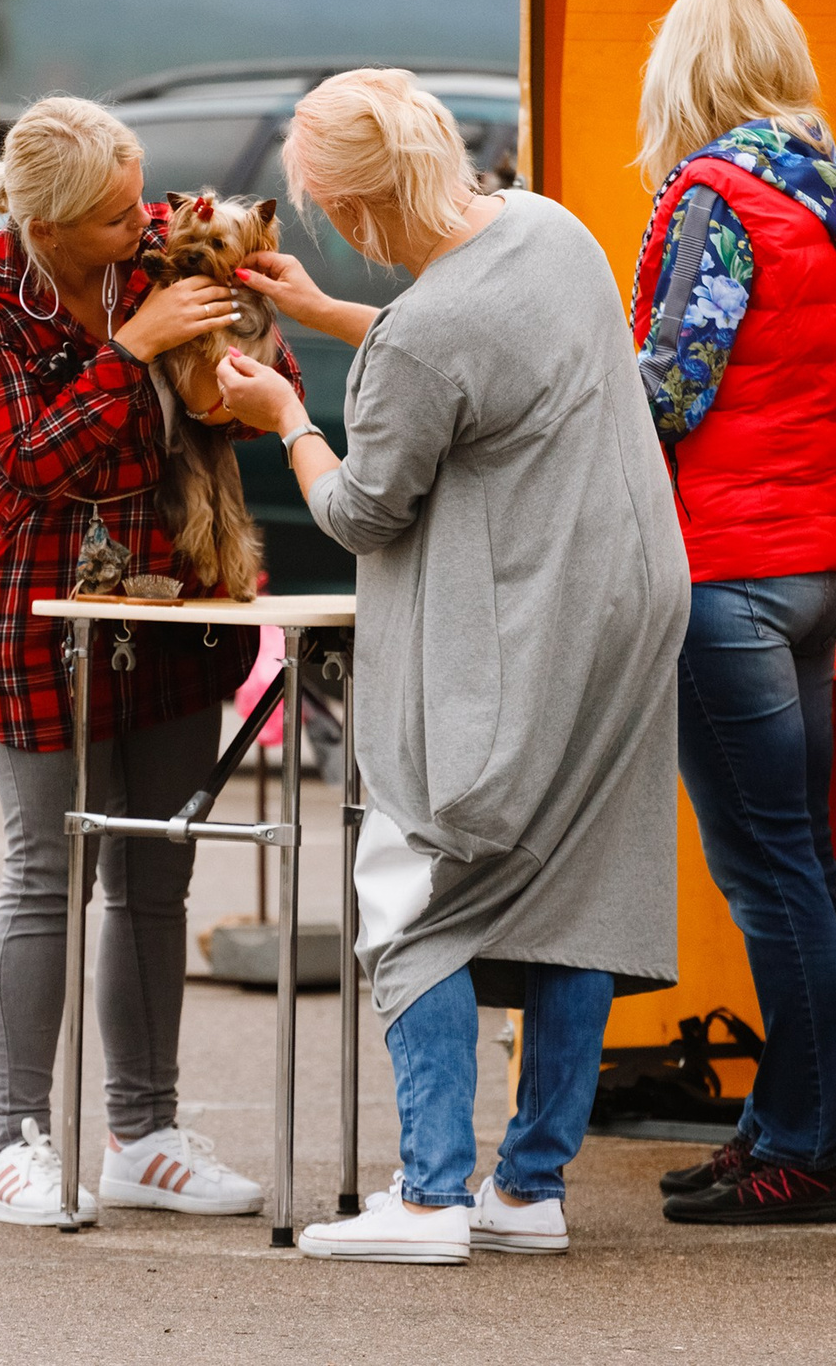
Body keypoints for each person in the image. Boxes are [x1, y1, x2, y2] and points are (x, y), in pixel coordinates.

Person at [216, 70, 685, 1264]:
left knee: (412, 878)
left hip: (520, 620)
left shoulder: (426, 332)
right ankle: (529, 1190)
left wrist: (287, 416)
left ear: (355, 209)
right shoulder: (547, 227)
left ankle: (428, 1198)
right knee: (578, 886)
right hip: (632, 601)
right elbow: (484, 359)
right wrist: (329, 316)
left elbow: (365, 509)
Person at [0, 95, 297, 1226]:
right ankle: (11, 1144)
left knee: (156, 876)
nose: (137, 226)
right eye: (108, 219)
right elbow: (33, 459)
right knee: (43, 876)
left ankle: (143, 1136)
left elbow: (235, 408)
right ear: (41, 227)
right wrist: (131, 347)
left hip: (172, 590)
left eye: (138, 197)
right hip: (31, 605)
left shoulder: (161, 244)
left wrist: (249, 331)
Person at [629, 0, 836, 1224]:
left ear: (685, 75)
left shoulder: (712, 198)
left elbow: (670, 389)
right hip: (812, 564)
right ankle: (789, 1128)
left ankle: (808, 1149)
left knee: (765, 869)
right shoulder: (829, 202)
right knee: (801, 865)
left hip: (723, 566)